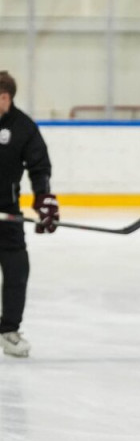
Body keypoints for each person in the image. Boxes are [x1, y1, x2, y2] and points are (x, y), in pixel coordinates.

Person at [0, 70, 59, 358]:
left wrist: (45, 200)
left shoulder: (23, 127)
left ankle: (9, 331)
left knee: (17, 270)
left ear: (6, 97)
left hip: (7, 214)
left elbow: (39, 166)